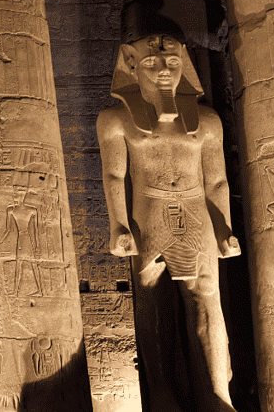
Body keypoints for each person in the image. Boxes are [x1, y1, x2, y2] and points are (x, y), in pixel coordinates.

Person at [97, 35, 239, 411]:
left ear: (183, 65)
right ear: (129, 64)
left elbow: (217, 180)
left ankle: (217, 395)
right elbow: (113, 175)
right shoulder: (115, 119)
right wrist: (118, 225)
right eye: (150, 64)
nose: (163, 71)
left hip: (195, 215)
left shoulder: (206, 121)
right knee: (152, 302)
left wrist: (224, 228)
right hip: (149, 215)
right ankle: (159, 391)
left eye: (172, 63)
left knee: (208, 299)